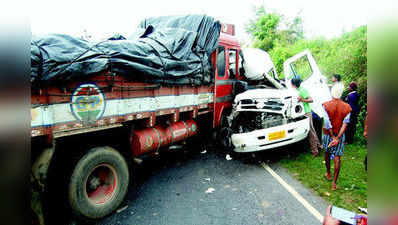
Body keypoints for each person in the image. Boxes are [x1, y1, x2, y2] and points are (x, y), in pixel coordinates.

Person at [321, 84, 352, 191]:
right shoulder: (347, 107)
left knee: (327, 152)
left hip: (327, 135)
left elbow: (326, 122)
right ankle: (334, 183)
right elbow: (345, 123)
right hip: (340, 135)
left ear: (331, 93)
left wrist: (332, 136)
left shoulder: (325, 105)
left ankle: (328, 173)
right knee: (337, 157)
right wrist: (337, 137)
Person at [291, 77, 322, 156]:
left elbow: (311, 100)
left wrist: (302, 100)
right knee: (312, 130)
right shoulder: (297, 90)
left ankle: (315, 151)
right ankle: (319, 146)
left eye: (291, 83)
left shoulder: (302, 90)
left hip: (307, 113)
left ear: (294, 84)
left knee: (310, 132)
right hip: (302, 113)